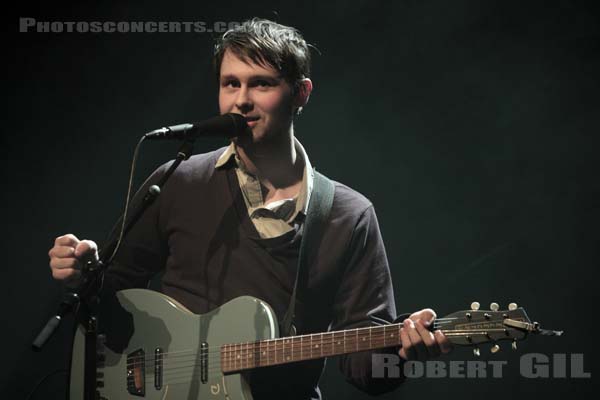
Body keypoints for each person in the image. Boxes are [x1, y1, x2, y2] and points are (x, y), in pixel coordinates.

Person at [48, 18, 452, 399]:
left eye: (260, 84)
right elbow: (110, 296)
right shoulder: (180, 180)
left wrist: (400, 355)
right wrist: (82, 275)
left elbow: (363, 366)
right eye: (230, 84)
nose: (241, 101)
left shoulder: (348, 214)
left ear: (301, 93)